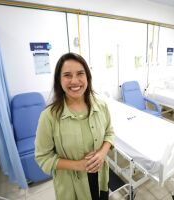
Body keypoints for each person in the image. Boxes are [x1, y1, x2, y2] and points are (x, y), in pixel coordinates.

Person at [35, 52, 115, 200]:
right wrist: (78, 165)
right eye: (67, 75)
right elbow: (43, 157)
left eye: (80, 74)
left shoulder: (101, 106)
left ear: (87, 77)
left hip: (100, 177)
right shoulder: (49, 117)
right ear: (59, 80)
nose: (75, 81)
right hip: (71, 187)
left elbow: (109, 133)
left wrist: (102, 153)